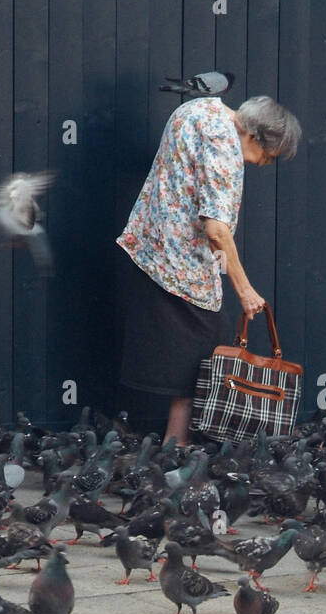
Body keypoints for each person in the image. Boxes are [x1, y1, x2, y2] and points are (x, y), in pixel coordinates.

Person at [117, 94, 301, 443]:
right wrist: (245, 290)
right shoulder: (225, 150)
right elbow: (215, 229)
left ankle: (175, 443)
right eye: (268, 155)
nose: (264, 164)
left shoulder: (198, 109)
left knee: (184, 358)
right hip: (185, 266)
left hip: (152, 247)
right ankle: (178, 445)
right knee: (201, 361)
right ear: (254, 136)